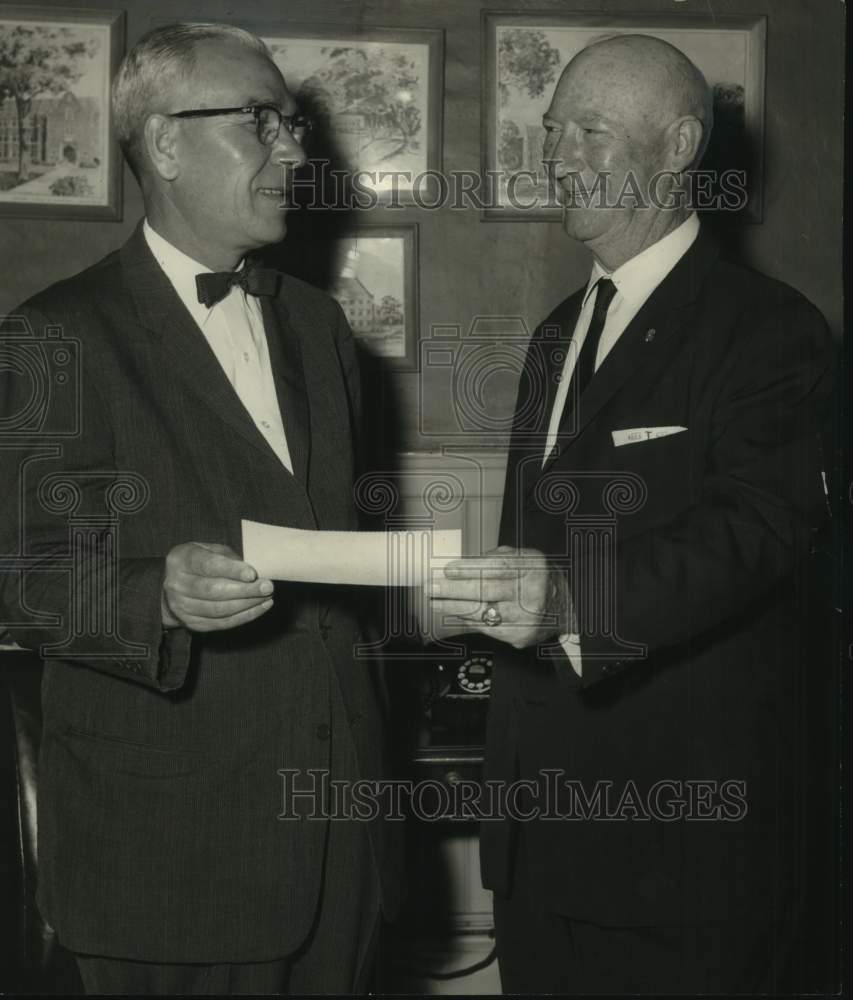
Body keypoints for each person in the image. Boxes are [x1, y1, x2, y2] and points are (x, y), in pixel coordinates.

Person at [0, 22, 400, 995]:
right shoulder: (52, 335)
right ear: (167, 145)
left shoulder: (319, 327)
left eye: (294, 122)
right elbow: (20, 578)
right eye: (261, 122)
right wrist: (156, 596)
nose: (295, 148)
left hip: (341, 835)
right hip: (167, 857)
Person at [429, 34, 834, 994]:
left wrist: (570, 598)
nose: (556, 156)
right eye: (550, 129)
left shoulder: (769, 330)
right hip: (537, 846)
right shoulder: (556, 334)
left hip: (682, 854)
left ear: (679, 144)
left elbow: (758, 529)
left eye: (591, 131)